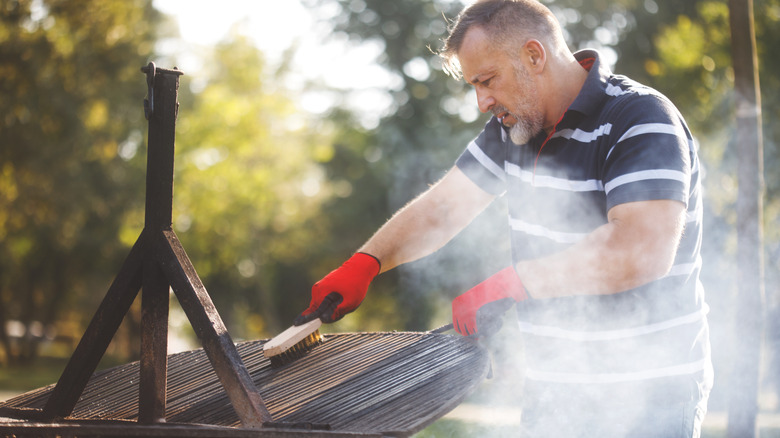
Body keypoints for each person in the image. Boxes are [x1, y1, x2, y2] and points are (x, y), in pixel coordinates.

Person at [294, 0, 712, 436]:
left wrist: (514, 283)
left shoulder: (640, 118)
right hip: (555, 392)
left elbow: (641, 249)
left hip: (648, 398)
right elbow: (442, 208)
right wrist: (367, 263)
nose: (481, 101)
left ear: (534, 56)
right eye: (474, 86)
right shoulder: (515, 129)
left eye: (487, 80)